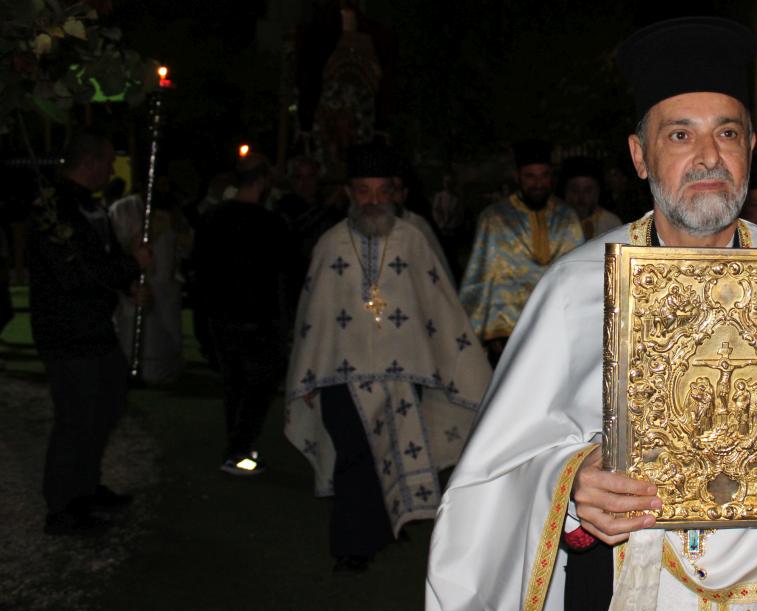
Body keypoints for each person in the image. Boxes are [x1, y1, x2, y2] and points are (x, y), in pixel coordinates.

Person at [425, 17, 757, 611]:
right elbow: (492, 480)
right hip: (618, 607)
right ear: (640, 155)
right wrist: (569, 489)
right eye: (680, 135)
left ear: (751, 148)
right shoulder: (576, 290)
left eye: (727, 132)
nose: (708, 156)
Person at [285, 142, 491, 573]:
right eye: (364, 191)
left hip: (402, 373)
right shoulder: (330, 244)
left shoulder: (413, 241)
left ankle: (376, 529)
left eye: (381, 191)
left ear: (394, 193)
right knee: (354, 454)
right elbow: (313, 317)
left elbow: (438, 305)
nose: (373, 201)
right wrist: (306, 374)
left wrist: (454, 365)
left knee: (391, 451)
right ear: (349, 192)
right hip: (340, 376)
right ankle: (350, 546)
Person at [28, 131, 150, 534]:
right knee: (76, 417)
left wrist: (127, 281)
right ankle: (62, 507)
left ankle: (85, 488)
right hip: (67, 329)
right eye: (108, 161)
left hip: (95, 325)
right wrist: (130, 266)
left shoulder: (90, 205)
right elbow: (76, 272)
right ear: (90, 162)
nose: (112, 169)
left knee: (107, 404)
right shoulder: (52, 208)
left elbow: (103, 257)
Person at [192, 153, 296, 476]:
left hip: (222, 316)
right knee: (257, 386)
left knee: (236, 385)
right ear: (263, 181)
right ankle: (238, 451)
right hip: (255, 319)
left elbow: (200, 270)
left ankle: (238, 448)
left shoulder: (213, 218)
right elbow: (286, 272)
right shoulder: (269, 224)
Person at [458, 139, 584, 362]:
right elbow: (480, 279)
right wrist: (484, 332)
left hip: (557, 327)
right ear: (517, 177)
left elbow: (578, 275)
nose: (538, 183)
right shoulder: (494, 219)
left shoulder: (567, 217)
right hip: (506, 333)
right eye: (530, 176)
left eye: (544, 176)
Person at [109, 177, 192, 385]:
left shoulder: (173, 211)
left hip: (166, 289)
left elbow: (185, 247)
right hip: (136, 289)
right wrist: (151, 233)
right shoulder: (123, 209)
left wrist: (180, 234)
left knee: (166, 342)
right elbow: (117, 251)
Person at [560, 155, 622, 240]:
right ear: (566, 193)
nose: (581, 197)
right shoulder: (555, 223)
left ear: (597, 192)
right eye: (575, 190)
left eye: (587, 190)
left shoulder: (611, 223)